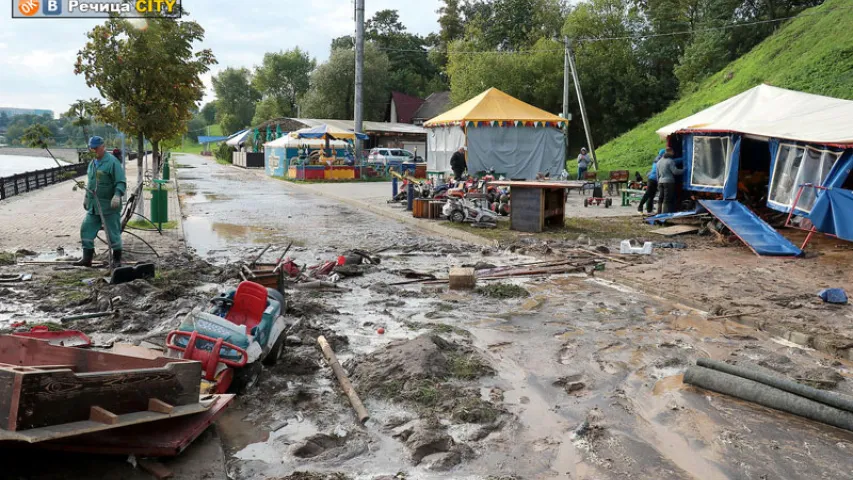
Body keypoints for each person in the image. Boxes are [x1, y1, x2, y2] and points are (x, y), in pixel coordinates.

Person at [73, 136, 127, 268]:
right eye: (91, 149)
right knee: (86, 229)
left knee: (113, 233)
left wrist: (117, 195)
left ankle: (117, 260)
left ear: (103, 147)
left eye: (96, 148)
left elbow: (121, 181)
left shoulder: (112, 162)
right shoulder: (92, 163)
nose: (93, 151)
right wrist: (86, 197)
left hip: (109, 206)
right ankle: (87, 258)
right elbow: (91, 182)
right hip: (94, 206)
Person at [656, 147, 684, 214]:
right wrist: (684, 170)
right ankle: (663, 215)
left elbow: (657, 174)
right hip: (668, 182)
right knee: (667, 199)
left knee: (661, 198)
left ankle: (658, 213)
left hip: (660, 181)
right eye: (673, 152)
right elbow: (675, 172)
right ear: (670, 152)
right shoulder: (670, 161)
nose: (673, 153)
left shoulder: (659, 161)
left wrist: (658, 182)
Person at [638, 148, 664, 214]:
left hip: (654, 180)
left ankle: (649, 210)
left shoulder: (657, 159)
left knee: (651, 195)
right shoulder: (660, 161)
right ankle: (640, 207)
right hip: (652, 179)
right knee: (648, 194)